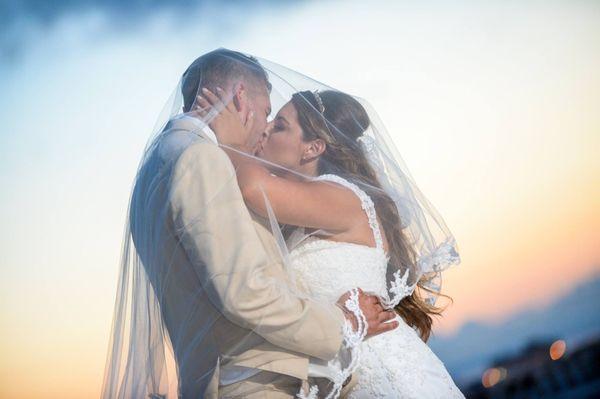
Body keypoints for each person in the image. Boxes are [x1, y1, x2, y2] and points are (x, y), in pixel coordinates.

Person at [100, 49, 398, 399]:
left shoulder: (154, 169)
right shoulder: (200, 158)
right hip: (250, 383)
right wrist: (342, 324)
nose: (265, 129)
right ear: (241, 98)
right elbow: (245, 292)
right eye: (268, 113)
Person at [196, 78, 464, 397]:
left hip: (383, 374)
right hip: (340, 373)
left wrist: (231, 140)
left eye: (279, 126)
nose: (265, 129)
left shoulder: (342, 196)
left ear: (313, 147)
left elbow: (253, 187)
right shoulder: (301, 213)